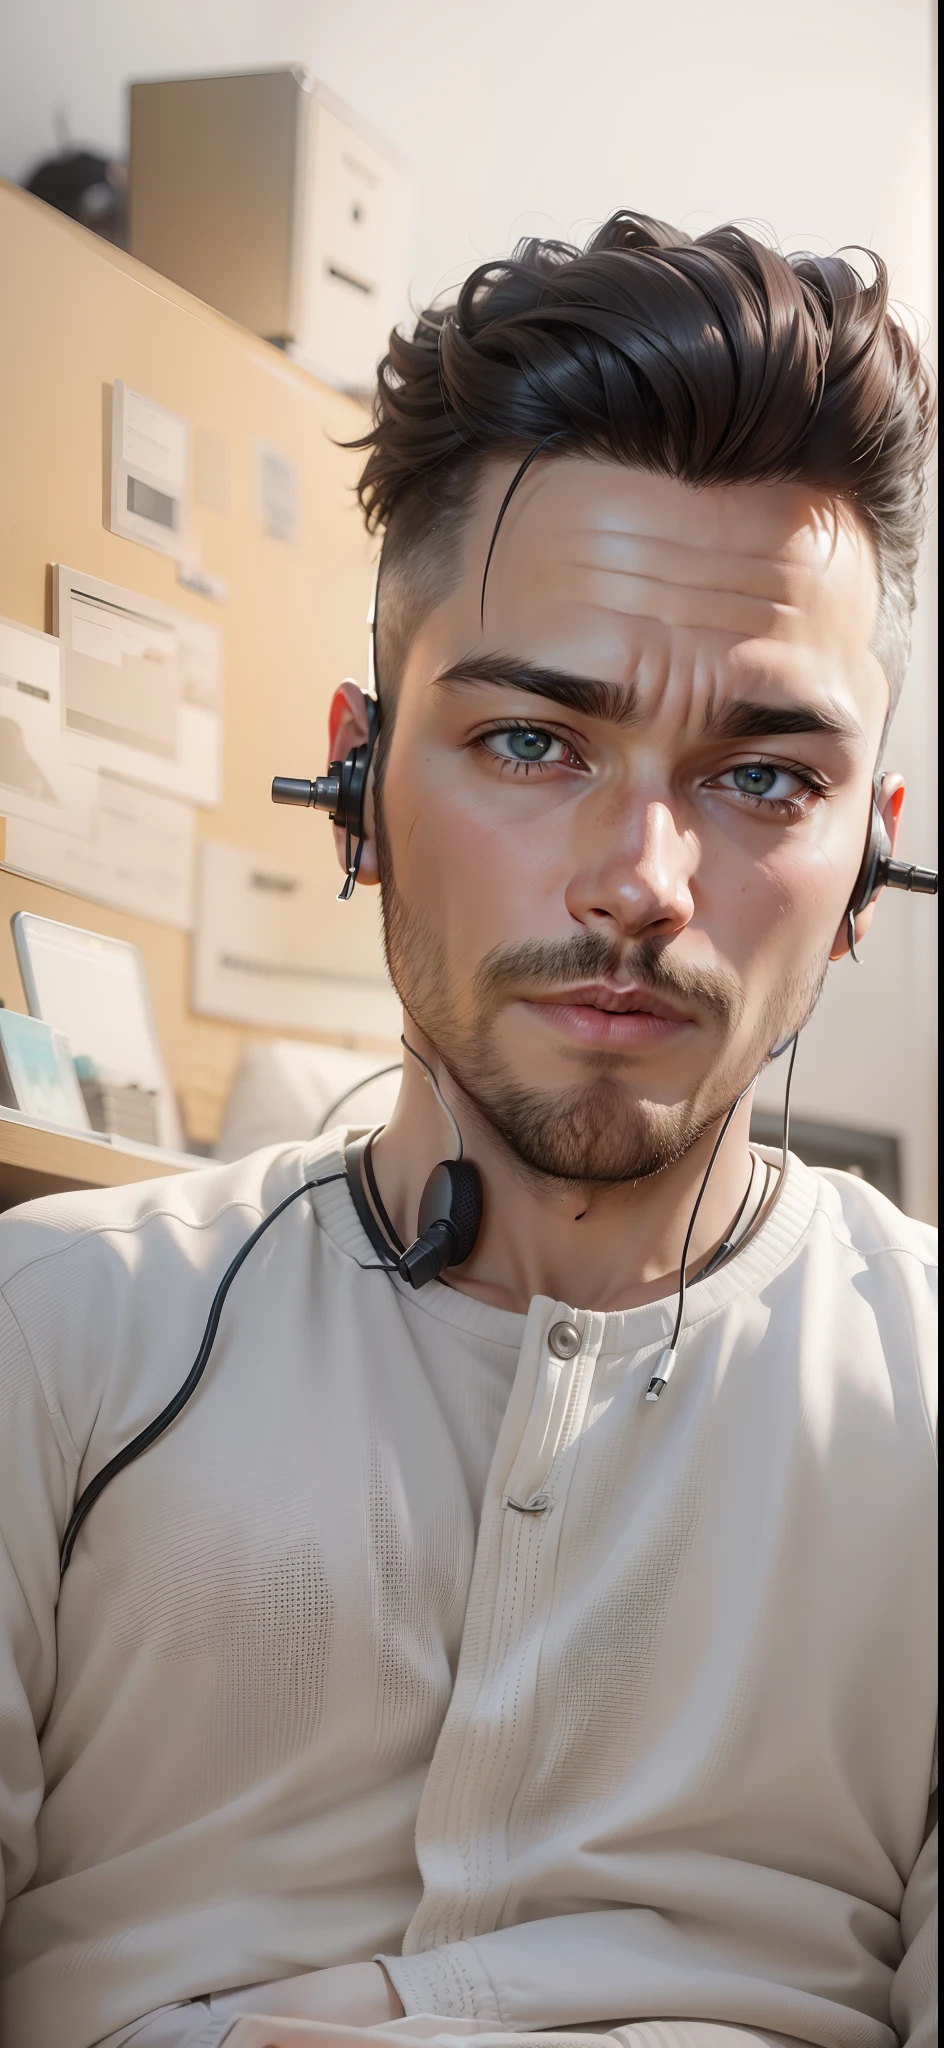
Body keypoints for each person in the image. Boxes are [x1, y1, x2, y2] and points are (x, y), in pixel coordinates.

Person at [0, 212, 936, 2048]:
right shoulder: (47, 1341)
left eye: (764, 777)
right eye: (531, 741)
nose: (643, 882)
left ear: (865, 867)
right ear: (360, 779)